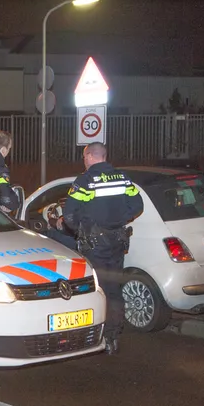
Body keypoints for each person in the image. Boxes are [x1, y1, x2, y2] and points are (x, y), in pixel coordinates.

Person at [61, 142, 143, 355]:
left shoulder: (85, 180)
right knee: (114, 288)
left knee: (96, 289)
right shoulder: (123, 178)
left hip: (94, 245)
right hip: (117, 242)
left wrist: (83, 228)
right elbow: (137, 206)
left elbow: (69, 215)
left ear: (89, 157)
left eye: (84, 158)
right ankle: (112, 335)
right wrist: (117, 221)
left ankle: (93, 334)